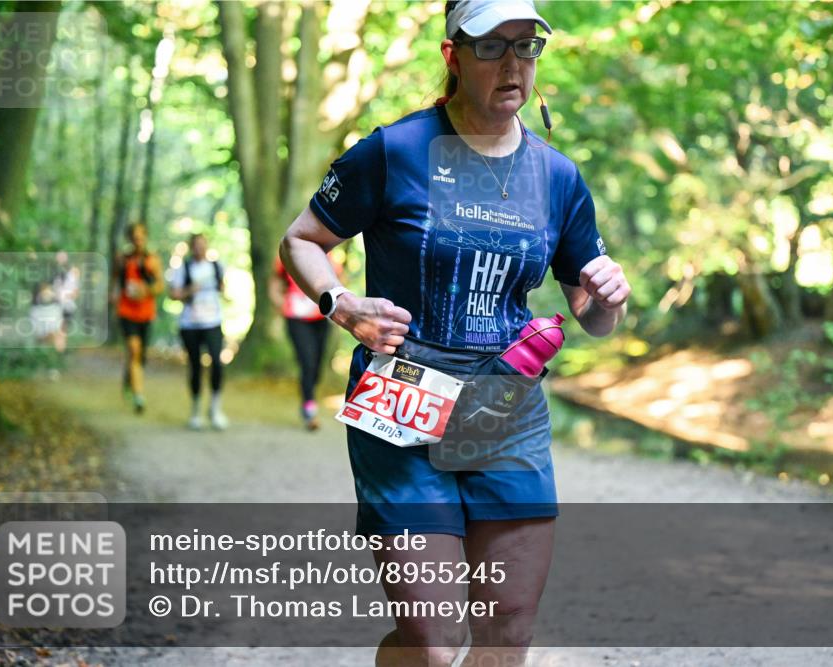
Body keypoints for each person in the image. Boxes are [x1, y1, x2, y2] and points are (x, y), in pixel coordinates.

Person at [279, 1, 631, 664]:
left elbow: (592, 311)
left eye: (526, 47)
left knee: (508, 627)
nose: (512, 63)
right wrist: (342, 304)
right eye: (492, 46)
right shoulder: (394, 151)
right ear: (452, 57)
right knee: (434, 641)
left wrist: (608, 294)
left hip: (507, 406)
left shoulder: (557, 177)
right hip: (402, 400)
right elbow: (301, 240)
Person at [268, 254, 341, 430]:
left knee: (316, 365)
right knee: (307, 362)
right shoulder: (288, 254)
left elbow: (340, 281)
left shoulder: (329, 256)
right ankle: (309, 408)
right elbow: (275, 280)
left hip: (321, 317)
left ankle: (309, 394)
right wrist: (279, 302)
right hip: (296, 317)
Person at [169, 233, 228, 430]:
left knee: (217, 364)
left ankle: (215, 407)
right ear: (191, 248)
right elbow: (174, 294)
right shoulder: (183, 268)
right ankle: (195, 411)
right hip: (190, 324)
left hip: (213, 322)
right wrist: (189, 291)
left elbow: (223, 289)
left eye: (203, 245)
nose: (200, 249)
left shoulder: (216, 266)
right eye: (196, 245)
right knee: (195, 366)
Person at [113, 222, 163, 414]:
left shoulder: (152, 260)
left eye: (141, 236)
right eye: (134, 237)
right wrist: (113, 296)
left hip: (146, 313)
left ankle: (129, 381)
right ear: (130, 239)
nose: (138, 240)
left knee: (139, 356)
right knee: (133, 350)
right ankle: (139, 396)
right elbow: (116, 281)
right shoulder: (123, 259)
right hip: (126, 312)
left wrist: (146, 290)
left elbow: (160, 286)